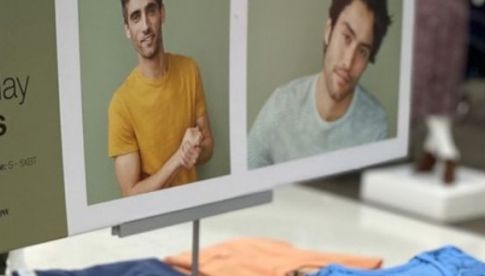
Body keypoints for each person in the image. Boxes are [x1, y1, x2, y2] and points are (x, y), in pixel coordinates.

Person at [248, 0, 391, 168]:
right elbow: (245, 178)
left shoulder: (374, 125)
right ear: (328, 31)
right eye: (346, 37)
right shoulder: (281, 106)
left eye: (362, 51)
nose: (348, 61)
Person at [108, 0, 214, 197]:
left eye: (151, 11)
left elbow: (208, 146)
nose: (146, 26)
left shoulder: (190, 69)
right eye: (136, 17)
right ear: (127, 30)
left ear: (162, 13)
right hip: (155, 223)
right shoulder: (121, 104)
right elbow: (131, 194)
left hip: (193, 206)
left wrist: (196, 146)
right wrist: (179, 158)